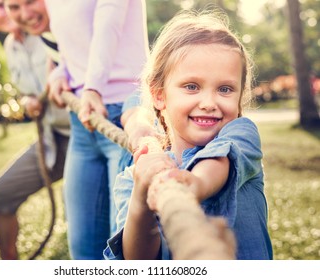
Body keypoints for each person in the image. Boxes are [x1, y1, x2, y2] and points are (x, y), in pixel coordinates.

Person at [104, 10, 273, 260]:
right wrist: (142, 195)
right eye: (192, 86)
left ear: (239, 98)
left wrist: (195, 184)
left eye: (225, 89)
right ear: (159, 95)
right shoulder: (133, 178)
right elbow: (136, 262)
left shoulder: (242, 134)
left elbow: (220, 161)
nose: (208, 102)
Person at [4, 0, 150, 259]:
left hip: (123, 113)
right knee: (82, 249)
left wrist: (92, 88)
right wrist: (61, 73)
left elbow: (109, 24)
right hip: (82, 123)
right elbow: (76, 47)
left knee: (125, 251)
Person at [0, 0, 70, 260]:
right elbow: (25, 92)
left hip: (85, 134)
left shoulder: (50, 28)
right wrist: (27, 101)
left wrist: (44, 94)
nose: (1, 13)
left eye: (3, 4)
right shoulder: (11, 46)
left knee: (81, 216)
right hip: (51, 138)